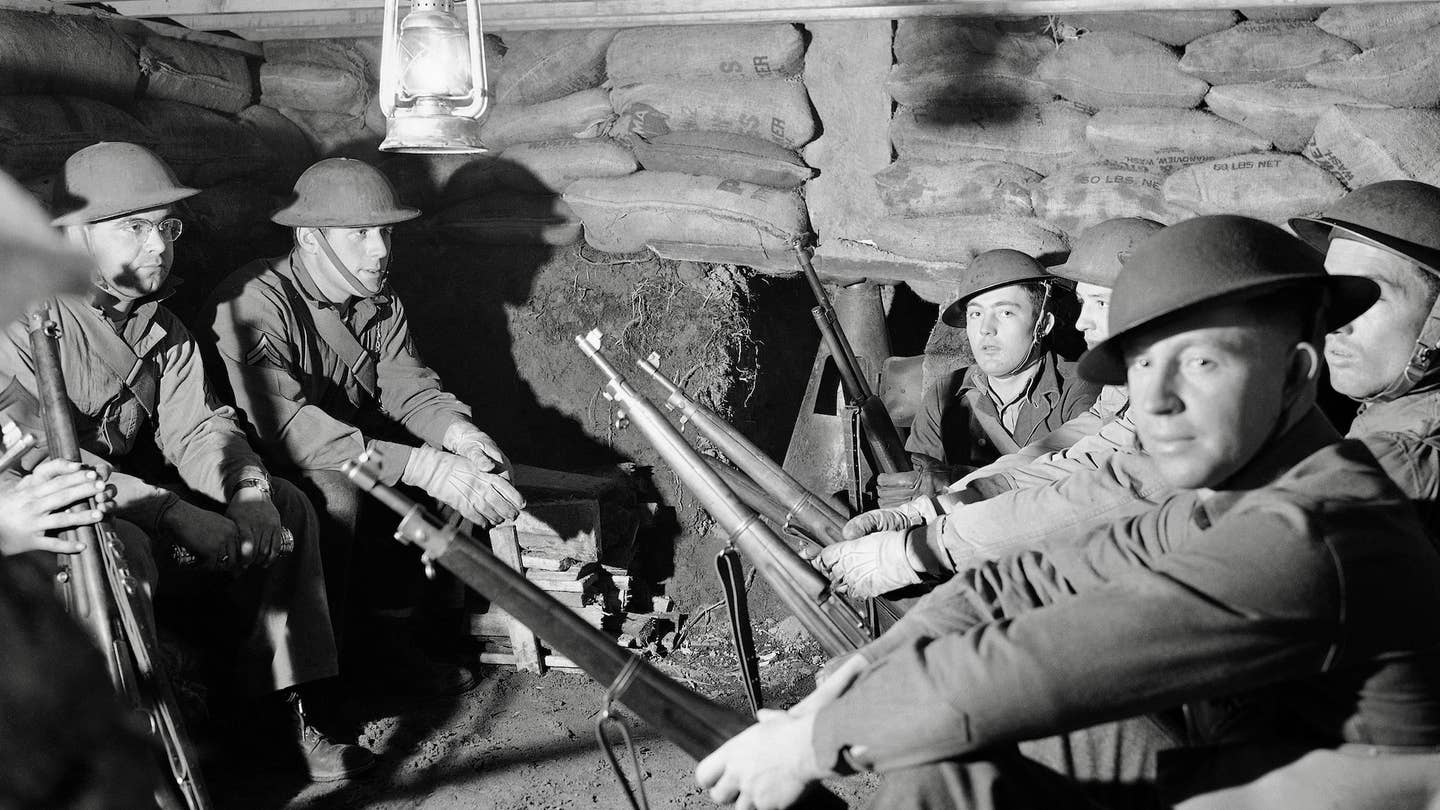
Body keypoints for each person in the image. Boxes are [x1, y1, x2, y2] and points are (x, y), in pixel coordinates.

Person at [696, 215, 1440, 810]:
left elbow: (1042, 665)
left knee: (967, 716)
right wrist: (855, 676)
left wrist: (810, 742)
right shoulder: (1238, 496)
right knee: (944, 763)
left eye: (1203, 362)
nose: (1157, 400)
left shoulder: (1315, 533)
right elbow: (1018, 586)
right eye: (1142, 364)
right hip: (1241, 764)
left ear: (1295, 377)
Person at [0, 142, 369, 782]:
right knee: (120, 548)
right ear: (75, 235)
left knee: (290, 505)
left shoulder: (162, 327)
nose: (159, 245)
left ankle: (280, 713)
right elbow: (44, 458)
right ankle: (141, 756)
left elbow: (199, 426)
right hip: (45, 507)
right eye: (134, 227)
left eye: (166, 227)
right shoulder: (24, 321)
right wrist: (171, 513)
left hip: (126, 491)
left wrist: (247, 491)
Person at [199, 158, 523, 688]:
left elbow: (405, 384)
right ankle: (317, 678)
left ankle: (395, 644)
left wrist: (457, 434)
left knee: (448, 486)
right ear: (308, 237)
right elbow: (283, 429)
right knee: (335, 497)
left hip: (345, 446)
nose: (380, 250)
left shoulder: (377, 300)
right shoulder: (253, 304)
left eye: (385, 233)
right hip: (263, 463)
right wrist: (416, 463)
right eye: (360, 234)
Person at [820, 219, 1164, 597]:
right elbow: (1066, 458)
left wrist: (929, 548)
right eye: (975, 315)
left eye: (1101, 302)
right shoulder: (1129, 390)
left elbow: (1085, 499)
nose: (1083, 321)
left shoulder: (1177, 403)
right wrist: (933, 508)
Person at [882, 249, 1100, 505]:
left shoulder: (1082, 389)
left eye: (1005, 312)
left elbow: (1082, 490)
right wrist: (906, 494)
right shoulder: (944, 395)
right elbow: (921, 477)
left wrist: (955, 479)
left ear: (1044, 324)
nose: (986, 329)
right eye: (976, 314)